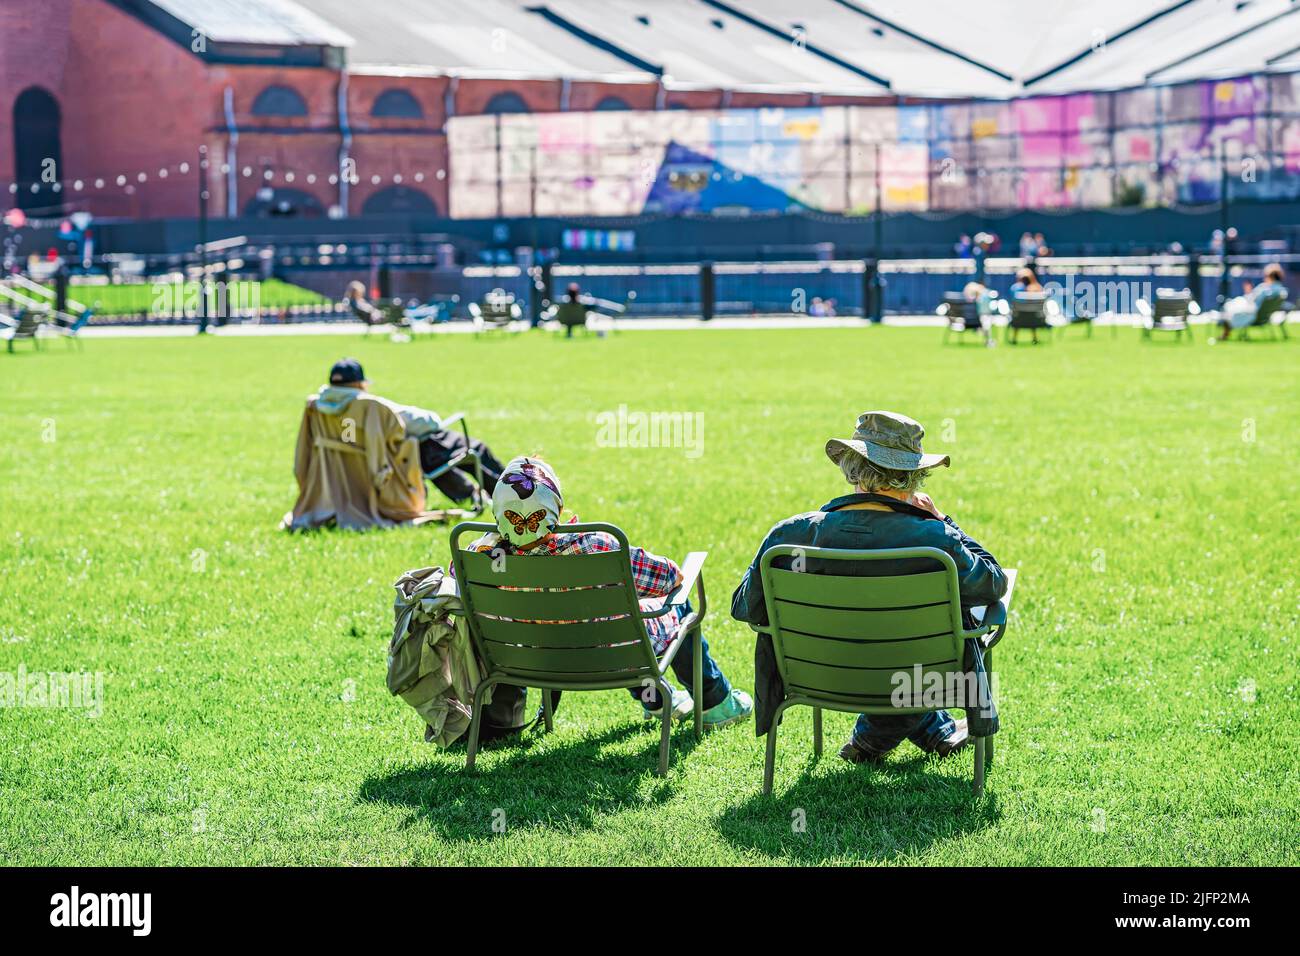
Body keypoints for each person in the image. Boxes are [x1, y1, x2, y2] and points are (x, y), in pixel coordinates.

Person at [731, 411, 1007, 764]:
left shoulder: (790, 536)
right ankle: (887, 737)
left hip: (821, 672)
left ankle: (904, 735)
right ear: (914, 475)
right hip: (922, 676)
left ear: (851, 467)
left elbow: (744, 607)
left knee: (893, 656)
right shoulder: (936, 540)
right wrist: (945, 521)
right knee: (918, 654)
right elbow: (993, 583)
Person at [464, 456, 753, 728]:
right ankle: (714, 703)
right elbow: (669, 578)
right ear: (558, 509)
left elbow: (457, 576)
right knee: (667, 605)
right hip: (613, 657)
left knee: (612, 622)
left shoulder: (482, 560)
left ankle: (657, 700)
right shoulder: (597, 545)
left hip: (534, 661)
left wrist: (492, 541)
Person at [317, 358, 506, 505]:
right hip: (404, 457)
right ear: (360, 384)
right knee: (472, 449)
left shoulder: (319, 408)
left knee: (434, 457)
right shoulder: (368, 405)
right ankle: (511, 493)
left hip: (364, 461)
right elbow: (428, 422)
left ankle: (470, 494)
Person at [1218, 263, 1288, 340]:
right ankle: (1225, 333)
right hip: (1263, 316)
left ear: (1270, 276)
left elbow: (1252, 300)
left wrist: (1249, 292)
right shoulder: (1282, 291)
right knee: (1232, 307)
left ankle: (1225, 334)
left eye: (1265, 276)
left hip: (1253, 315)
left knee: (1230, 308)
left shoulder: (1266, 289)